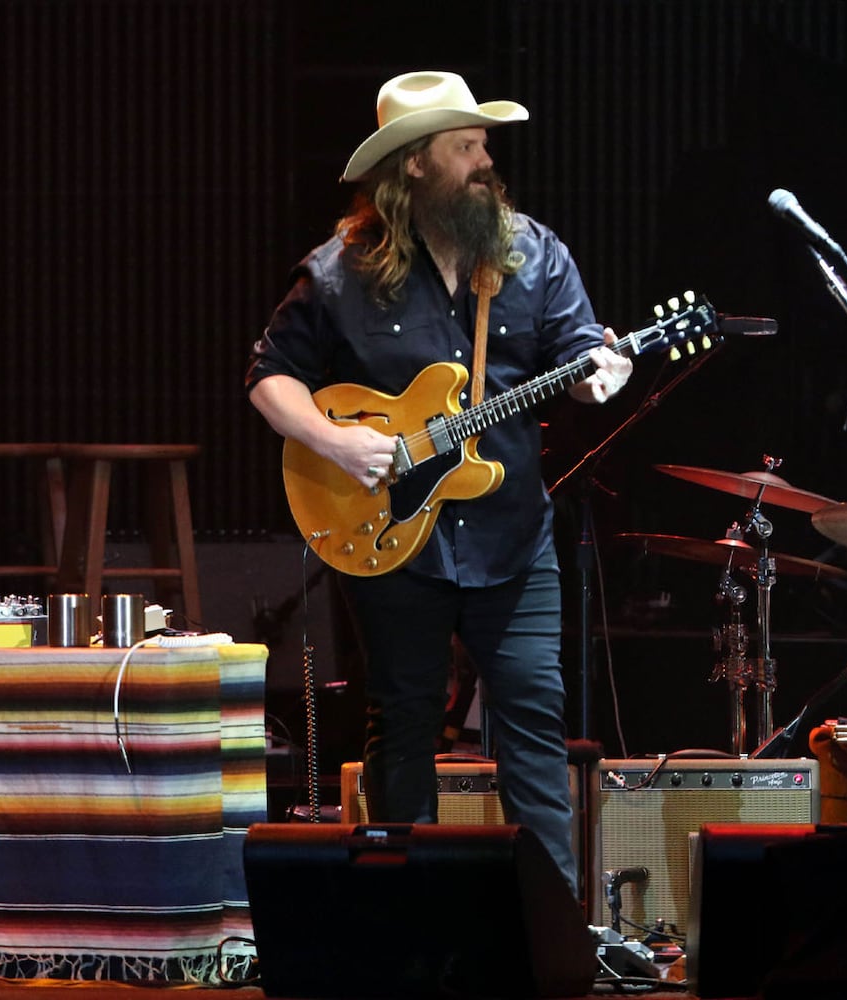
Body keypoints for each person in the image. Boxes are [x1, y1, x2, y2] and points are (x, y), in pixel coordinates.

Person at [245, 70, 633, 892]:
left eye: (484, 142)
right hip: (392, 544)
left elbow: (578, 356)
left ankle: (550, 924)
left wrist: (601, 375)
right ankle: (404, 918)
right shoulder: (339, 271)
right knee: (405, 722)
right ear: (415, 166)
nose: (486, 160)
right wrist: (333, 441)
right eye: (466, 145)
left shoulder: (534, 254)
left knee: (531, 727)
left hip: (513, 538)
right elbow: (269, 377)